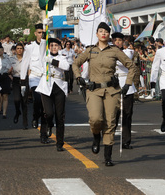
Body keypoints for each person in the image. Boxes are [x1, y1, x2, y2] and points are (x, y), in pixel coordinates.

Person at [72, 22, 136, 166]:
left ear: (109, 35)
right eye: (101, 31)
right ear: (97, 34)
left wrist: (128, 84)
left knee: (110, 122)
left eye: (106, 32)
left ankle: (108, 157)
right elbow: (75, 63)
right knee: (95, 119)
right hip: (94, 90)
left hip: (112, 91)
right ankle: (96, 136)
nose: (103, 34)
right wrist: (78, 77)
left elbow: (131, 66)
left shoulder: (115, 51)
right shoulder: (90, 50)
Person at [36, 38, 69, 151]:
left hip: (59, 87)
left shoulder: (62, 56)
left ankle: (60, 143)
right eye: (51, 45)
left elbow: (66, 67)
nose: (54, 47)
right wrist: (45, 36)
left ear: (59, 47)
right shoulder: (44, 55)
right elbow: (42, 46)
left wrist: (51, 61)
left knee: (60, 116)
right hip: (46, 86)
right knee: (49, 113)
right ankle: (50, 124)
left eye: (56, 45)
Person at [20, 23, 48, 143]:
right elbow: (25, 63)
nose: (41, 34)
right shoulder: (30, 47)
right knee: (37, 100)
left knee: (46, 107)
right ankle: (35, 116)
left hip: (46, 78)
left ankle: (44, 134)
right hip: (35, 77)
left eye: (43, 32)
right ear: (35, 33)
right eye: (39, 32)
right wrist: (22, 82)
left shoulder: (48, 45)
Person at [112, 32, 137, 149]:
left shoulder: (128, 52)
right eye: (115, 40)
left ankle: (126, 140)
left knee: (127, 114)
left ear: (123, 42)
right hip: (113, 85)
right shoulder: (108, 52)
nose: (117, 42)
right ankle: (110, 138)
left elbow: (123, 62)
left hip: (126, 85)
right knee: (113, 114)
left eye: (120, 40)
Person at [11, 43, 29, 129]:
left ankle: (25, 123)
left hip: (24, 80)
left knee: (24, 102)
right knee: (16, 99)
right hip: (15, 80)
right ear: (15, 50)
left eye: (21, 48)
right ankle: (17, 112)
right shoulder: (11, 59)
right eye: (17, 48)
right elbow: (9, 71)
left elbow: (29, 70)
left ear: (23, 50)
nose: (19, 50)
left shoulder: (26, 59)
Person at [0, 41, 12, 119]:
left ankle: (4, 113)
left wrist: (8, 73)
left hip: (4, 76)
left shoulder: (6, 58)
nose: (0, 51)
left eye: (1, 50)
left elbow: (9, 67)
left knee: (5, 96)